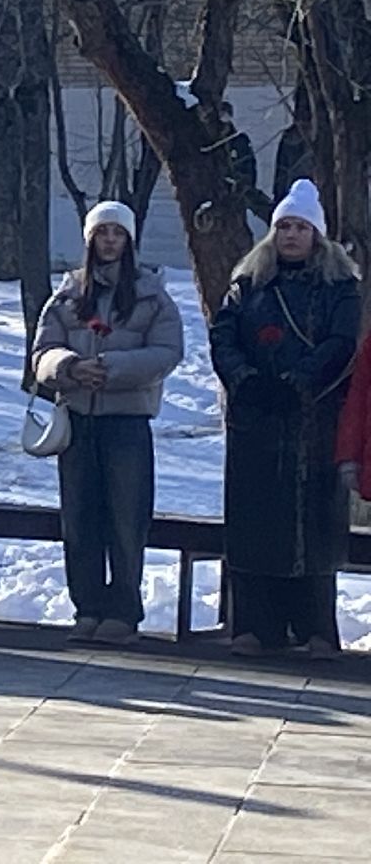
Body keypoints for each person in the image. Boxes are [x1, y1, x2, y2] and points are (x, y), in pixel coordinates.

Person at [212, 179, 359, 658]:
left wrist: (299, 382)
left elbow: (341, 344)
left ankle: (316, 629)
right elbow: (223, 337)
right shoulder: (247, 285)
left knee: (314, 527)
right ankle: (254, 627)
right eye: (284, 227)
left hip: (314, 421)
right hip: (254, 420)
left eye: (300, 227)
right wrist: (246, 379)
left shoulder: (339, 288)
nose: (291, 235)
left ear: (316, 234)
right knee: (255, 520)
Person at [31, 200, 184, 646]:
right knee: (79, 519)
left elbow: (167, 352)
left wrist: (112, 368)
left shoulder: (152, 295)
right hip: (77, 421)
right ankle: (87, 608)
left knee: (125, 519)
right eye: (102, 233)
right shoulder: (67, 295)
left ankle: (122, 611)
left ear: (129, 240)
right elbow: (42, 353)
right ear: (89, 240)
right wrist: (71, 367)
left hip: (127, 422)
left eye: (118, 233)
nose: (110, 241)